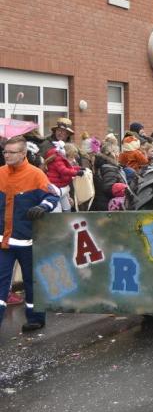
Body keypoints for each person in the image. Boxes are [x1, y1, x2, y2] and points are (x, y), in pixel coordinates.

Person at [0, 136, 60, 332]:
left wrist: (43, 206)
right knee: (1, 282)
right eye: (5, 152)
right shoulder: (0, 173)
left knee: (32, 281)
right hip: (3, 242)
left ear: (23, 153)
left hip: (27, 241)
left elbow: (52, 195)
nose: (7, 155)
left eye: (11, 152)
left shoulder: (36, 175)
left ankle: (35, 318)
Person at [43, 141, 85, 211]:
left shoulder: (62, 160)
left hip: (61, 185)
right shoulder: (58, 160)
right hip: (56, 186)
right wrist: (76, 173)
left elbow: (69, 168)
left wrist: (79, 168)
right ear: (66, 155)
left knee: (67, 207)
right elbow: (63, 170)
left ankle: (66, 214)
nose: (73, 160)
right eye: (71, 157)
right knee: (58, 208)